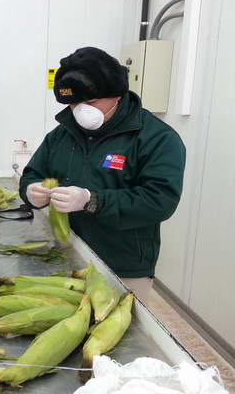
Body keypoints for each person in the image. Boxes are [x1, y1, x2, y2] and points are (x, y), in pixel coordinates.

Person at [19, 47, 186, 302]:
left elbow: (159, 202)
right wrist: (31, 191)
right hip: (66, 255)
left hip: (122, 266)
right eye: (73, 103)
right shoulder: (62, 134)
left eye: (91, 103)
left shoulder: (156, 138)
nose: (80, 111)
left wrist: (91, 200)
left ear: (117, 94)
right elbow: (33, 173)